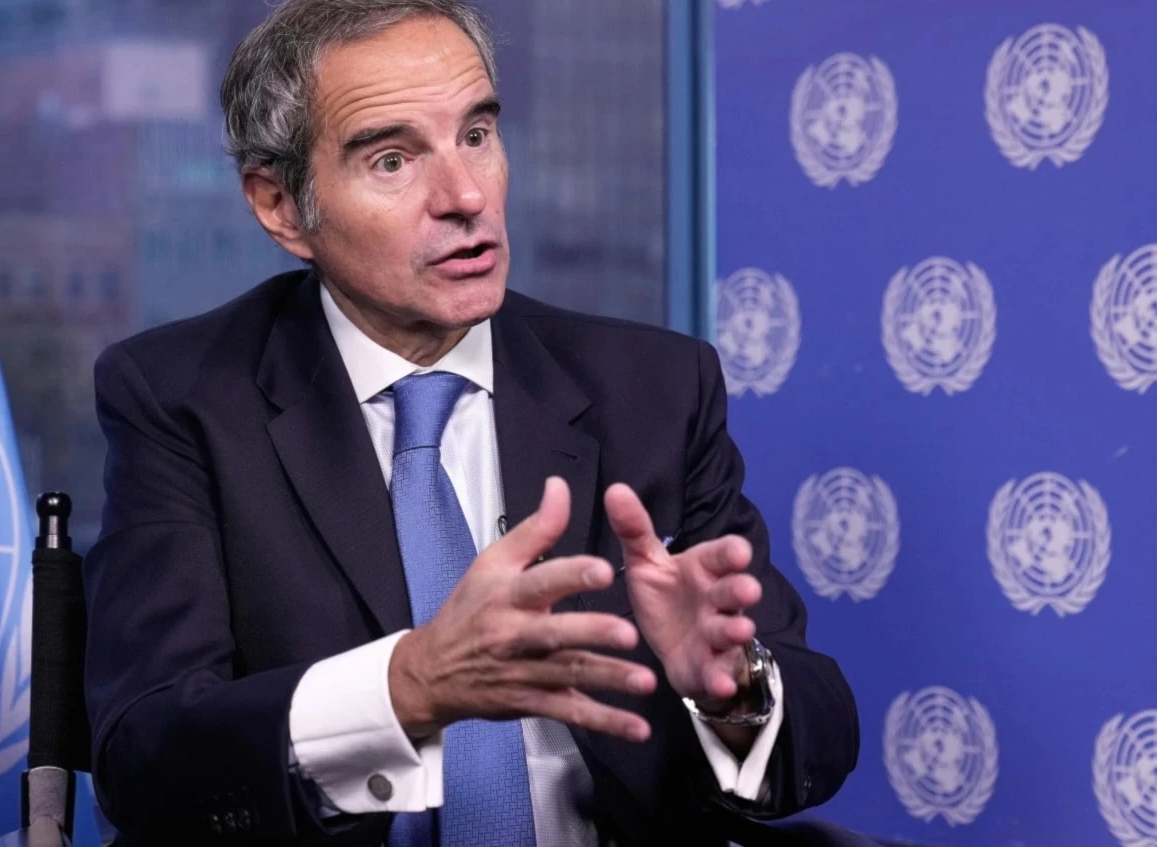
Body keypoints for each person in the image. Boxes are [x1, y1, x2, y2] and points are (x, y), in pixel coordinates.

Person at [82, 1, 860, 844]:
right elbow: (145, 756)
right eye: (391, 159)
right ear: (281, 206)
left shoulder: (656, 388)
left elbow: (821, 726)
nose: (463, 196)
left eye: (478, 135)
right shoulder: (183, 399)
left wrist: (729, 690)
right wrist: (406, 685)